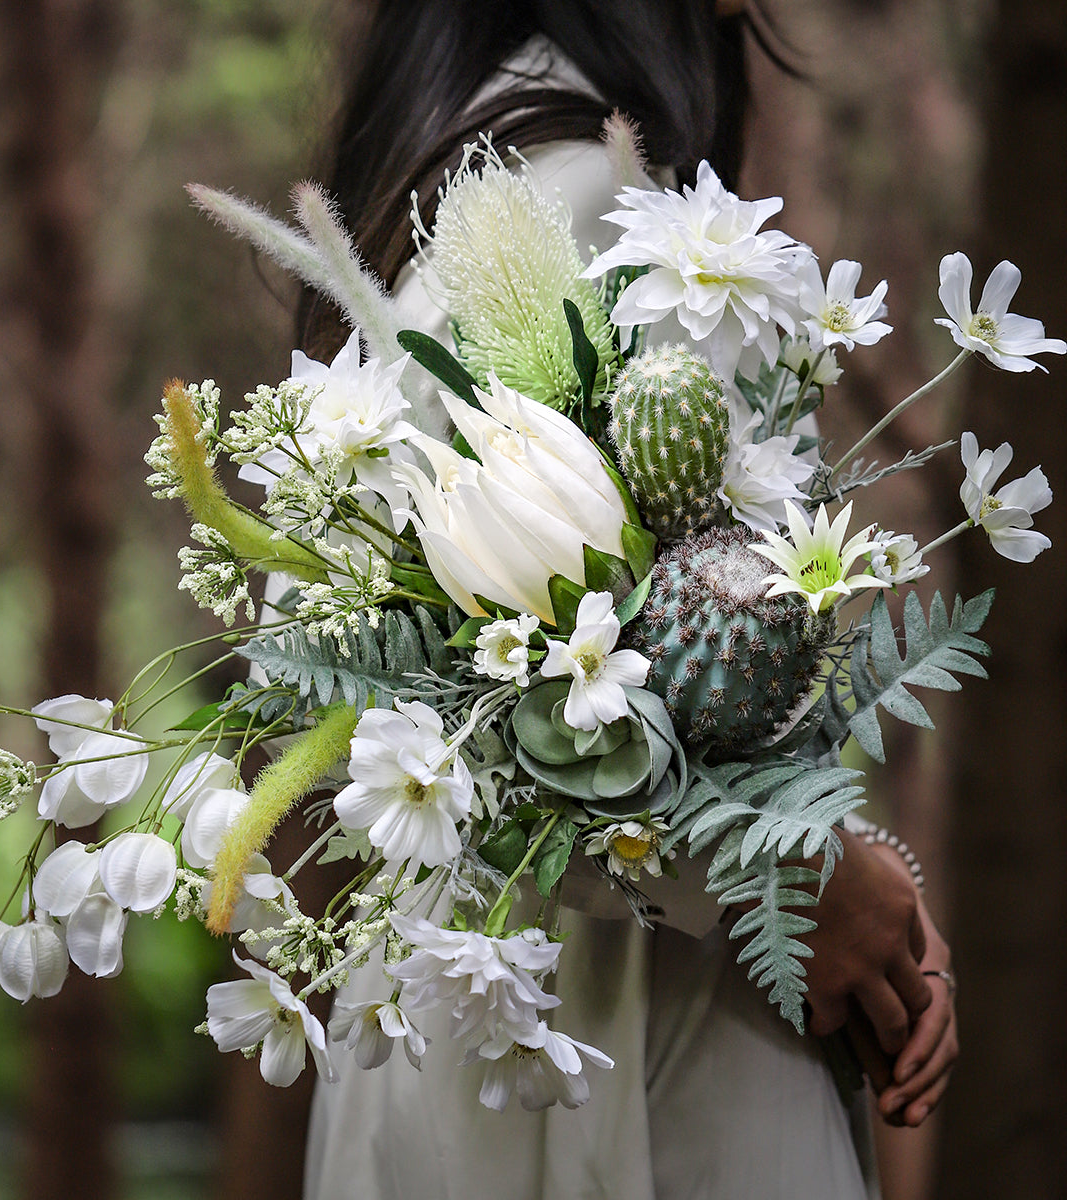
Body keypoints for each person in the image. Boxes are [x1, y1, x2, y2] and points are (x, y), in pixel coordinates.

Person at [297, 3, 958, 1196]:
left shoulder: (480, 164)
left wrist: (855, 882)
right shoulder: (580, 194)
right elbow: (519, 693)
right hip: (616, 1046)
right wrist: (813, 883)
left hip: (491, 1037)